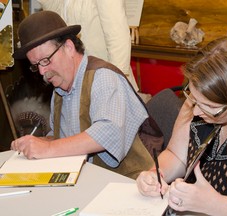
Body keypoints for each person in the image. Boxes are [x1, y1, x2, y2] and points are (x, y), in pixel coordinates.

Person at [11, 11, 154, 179]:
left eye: (45, 60)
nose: (42, 71)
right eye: (36, 65)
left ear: (69, 47)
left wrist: (48, 149)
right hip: (92, 182)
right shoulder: (59, 88)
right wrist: (38, 143)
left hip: (131, 184)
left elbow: (108, 132)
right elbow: (66, 140)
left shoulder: (103, 77)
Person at [136, 36, 227, 215]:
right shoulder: (197, 104)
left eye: (211, 107)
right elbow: (176, 155)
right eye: (193, 99)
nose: (196, 112)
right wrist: (155, 174)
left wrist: (218, 205)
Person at [37, 0, 139, 92]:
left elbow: (117, 37)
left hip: (105, 80)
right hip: (75, 81)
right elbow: (53, 18)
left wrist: (115, 82)